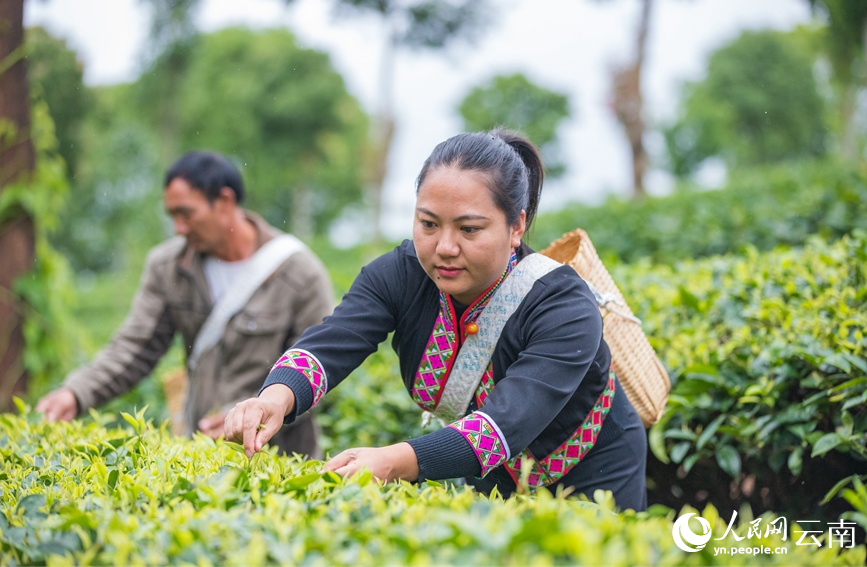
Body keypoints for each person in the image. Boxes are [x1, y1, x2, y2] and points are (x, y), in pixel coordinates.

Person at [225, 130, 648, 510]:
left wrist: (392, 461)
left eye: (469, 230)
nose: (444, 247)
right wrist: (274, 398)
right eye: (428, 224)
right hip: (490, 472)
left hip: (595, 468)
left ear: (516, 225)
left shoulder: (562, 304)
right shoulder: (399, 274)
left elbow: (506, 422)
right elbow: (336, 339)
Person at [36, 150, 333, 458]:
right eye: (172, 216)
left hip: (280, 458)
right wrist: (77, 392)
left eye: (186, 213)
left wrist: (252, 416)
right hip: (201, 454)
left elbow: (319, 367)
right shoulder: (169, 267)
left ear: (225, 202)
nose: (179, 227)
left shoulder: (298, 274)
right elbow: (135, 347)